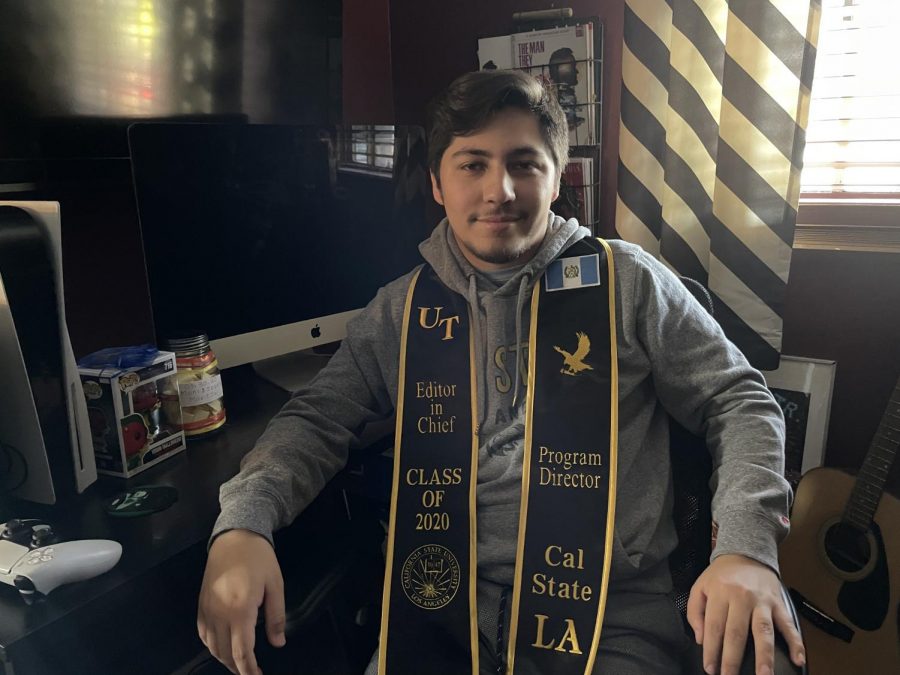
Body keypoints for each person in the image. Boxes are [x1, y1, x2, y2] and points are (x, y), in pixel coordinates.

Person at [197, 69, 806, 675]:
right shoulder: (399, 310)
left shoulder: (629, 282)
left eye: (523, 163)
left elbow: (740, 402)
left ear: (557, 176)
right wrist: (243, 526)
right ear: (436, 183)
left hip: (609, 620)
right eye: (472, 164)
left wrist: (746, 549)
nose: (499, 191)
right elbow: (315, 417)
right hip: (438, 606)